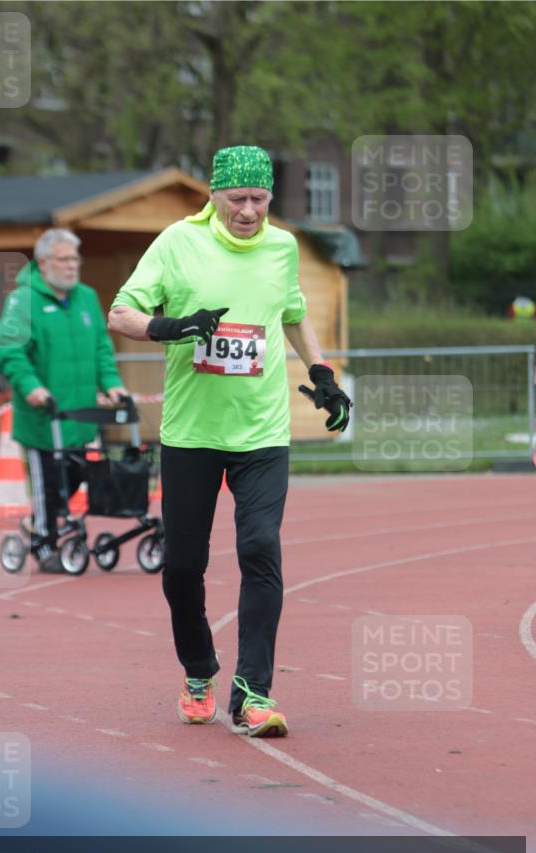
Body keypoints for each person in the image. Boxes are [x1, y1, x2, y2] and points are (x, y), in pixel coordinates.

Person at [109, 145, 351, 736]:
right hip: (192, 433)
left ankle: (253, 693)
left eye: (260, 199)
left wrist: (323, 373)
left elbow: (293, 311)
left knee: (261, 549)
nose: (248, 211)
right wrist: (173, 327)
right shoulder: (176, 243)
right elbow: (121, 313)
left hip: (262, 433)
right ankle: (198, 671)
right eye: (237, 198)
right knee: (181, 567)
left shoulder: (283, 246)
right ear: (213, 195)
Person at [0, 228, 127, 573]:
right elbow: (9, 350)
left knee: (80, 475)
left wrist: (111, 383)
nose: (71, 266)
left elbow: (102, 347)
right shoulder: (23, 301)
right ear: (43, 262)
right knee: (49, 483)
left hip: (81, 418)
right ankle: (44, 545)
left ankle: (38, 524)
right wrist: (30, 386)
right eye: (63, 259)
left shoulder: (86, 297)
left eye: (74, 259)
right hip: (43, 418)